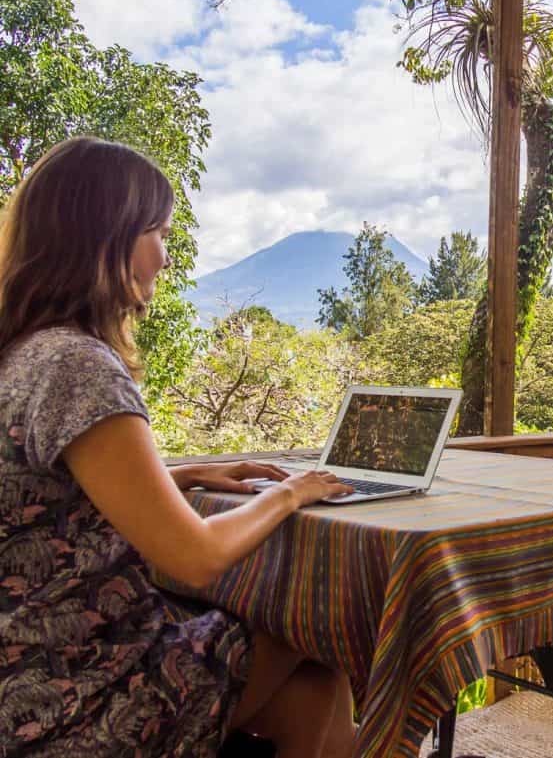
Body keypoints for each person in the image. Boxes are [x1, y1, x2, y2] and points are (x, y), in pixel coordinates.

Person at [0, 137, 358, 758]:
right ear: (107, 239)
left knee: (315, 688)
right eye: (158, 233)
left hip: (24, 678)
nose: (164, 257)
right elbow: (195, 557)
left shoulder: (24, 352)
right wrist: (294, 491)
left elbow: (53, 487)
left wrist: (189, 472)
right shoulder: (78, 367)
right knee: (323, 623)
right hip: (81, 695)